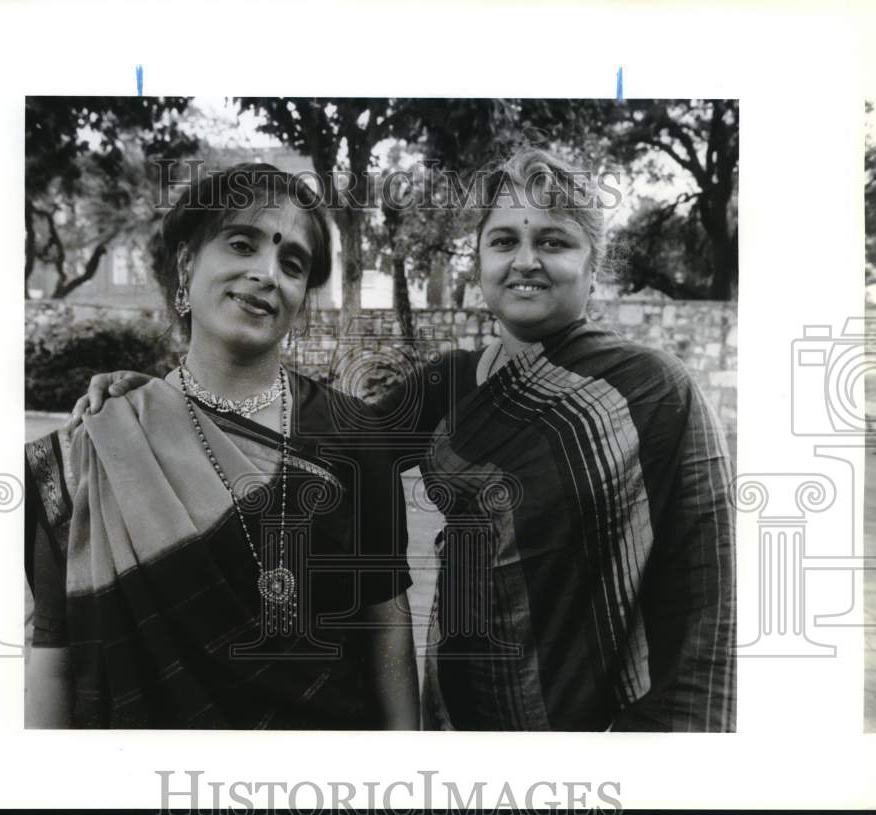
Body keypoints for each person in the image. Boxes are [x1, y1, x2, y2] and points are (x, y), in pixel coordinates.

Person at [71, 146, 736, 732]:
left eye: (554, 241)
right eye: (503, 240)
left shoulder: (653, 390)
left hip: (595, 728)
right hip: (458, 715)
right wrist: (164, 395)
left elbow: (707, 591)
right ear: (479, 262)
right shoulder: (452, 385)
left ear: (595, 264)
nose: (525, 260)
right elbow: (322, 441)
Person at [25, 163, 419, 729]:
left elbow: (386, 620)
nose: (266, 274)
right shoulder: (100, 447)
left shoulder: (355, 435)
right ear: (187, 265)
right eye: (241, 244)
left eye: (292, 263)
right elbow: (55, 658)